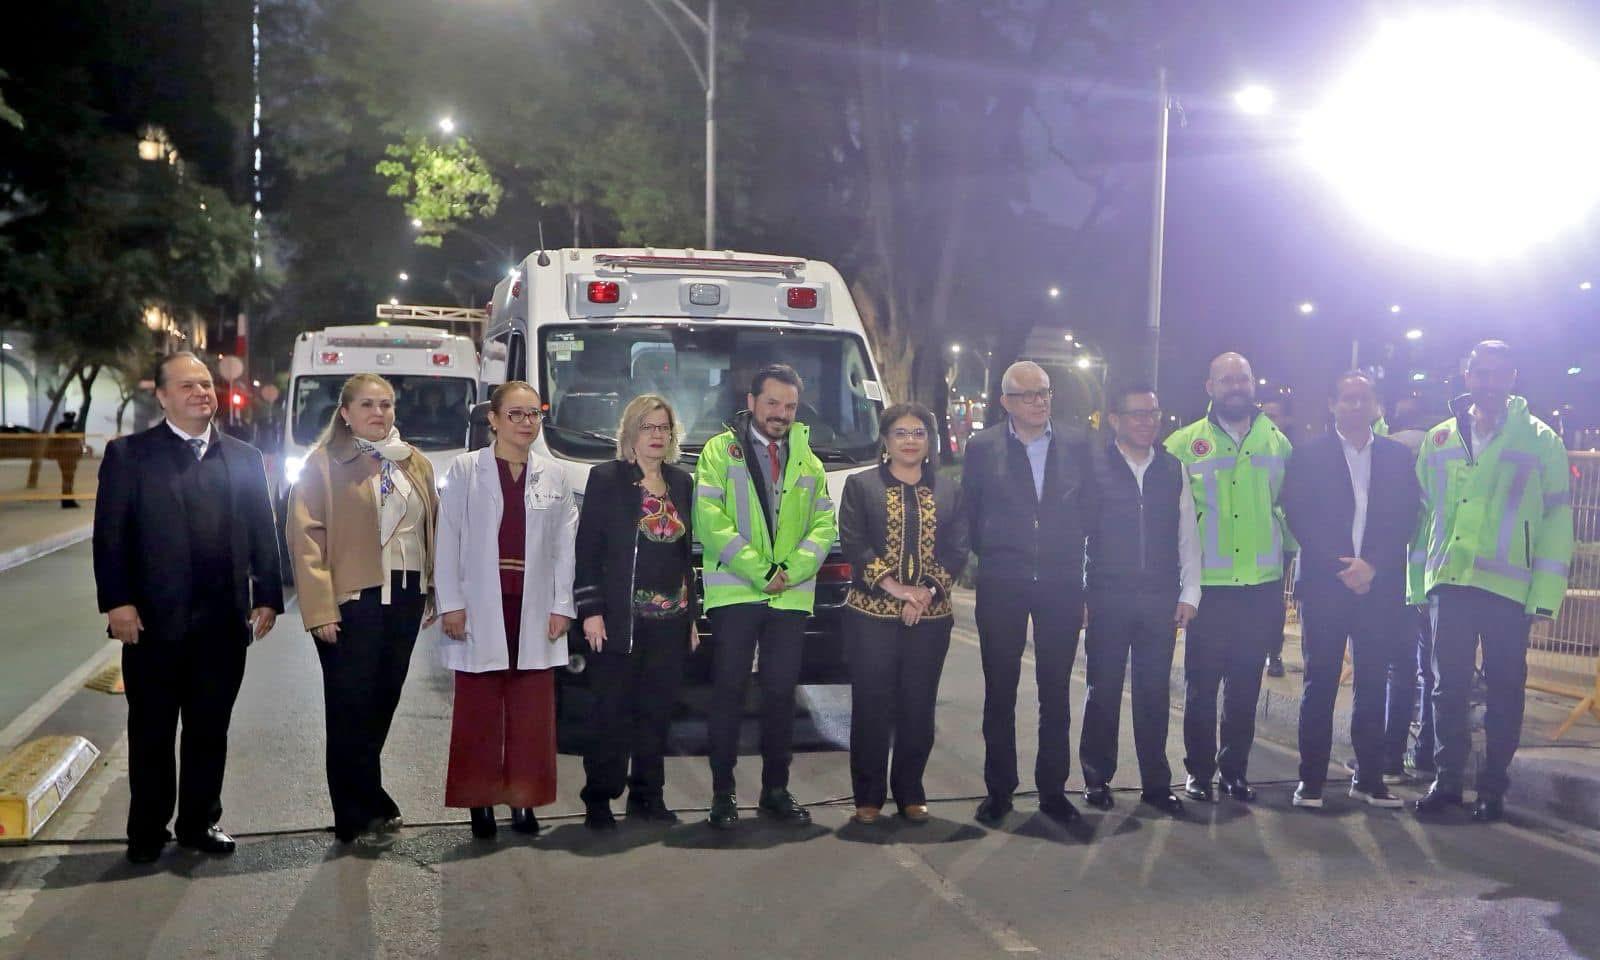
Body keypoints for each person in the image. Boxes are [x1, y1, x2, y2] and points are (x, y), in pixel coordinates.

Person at [93, 352, 283, 864]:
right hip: (152, 621)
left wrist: (268, 596)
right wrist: (117, 603)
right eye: (187, 386)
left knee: (209, 728)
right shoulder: (129, 456)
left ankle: (200, 822)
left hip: (222, 622)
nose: (202, 392)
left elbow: (262, 530)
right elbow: (110, 537)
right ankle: (147, 828)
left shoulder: (242, 458)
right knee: (151, 729)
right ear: (162, 396)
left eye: (206, 384)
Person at [1411, 340, 1574, 822]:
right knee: (1447, 688)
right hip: (1449, 584)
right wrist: (1417, 584)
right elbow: (1424, 517)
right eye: (1479, 372)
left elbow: (1557, 519)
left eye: (1497, 373)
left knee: (1505, 688)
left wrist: (1544, 596)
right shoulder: (1439, 438)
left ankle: (1492, 788)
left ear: (1512, 379)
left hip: (1509, 590)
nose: (1487, 382)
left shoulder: (1540, 439)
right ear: (1466, 377)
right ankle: (1446, 781)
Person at [288, 373, 438, 844]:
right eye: (368, 405)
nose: (379, 413)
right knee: (350, 707)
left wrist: (434, 590)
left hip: (406, 597)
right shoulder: (324, 463)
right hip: (353, 600)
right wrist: (320, 609)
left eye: (387, 405)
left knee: (382, 702)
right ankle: (355, 811)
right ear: (346, 413)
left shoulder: (415, 462)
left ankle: (368, 795)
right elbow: (305, 539)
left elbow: (432, 528)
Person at [694, 363, 838, 829]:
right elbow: (709, 521)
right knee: (729, 692)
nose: (781, 413)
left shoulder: (807, 458)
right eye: (773, 403)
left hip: (790, 597)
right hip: (737, 592)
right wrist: (762, 573)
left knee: (780, 696)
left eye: (790, 406)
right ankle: (722, 795)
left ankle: (775, 790)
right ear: (752, 402)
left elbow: (824, 525)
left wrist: (790, 572)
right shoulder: (720, 451)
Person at [434, 381, 576, 838]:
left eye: (533, 414)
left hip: (534, 608)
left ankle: (524, 801)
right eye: (515, 414)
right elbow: (448, 539)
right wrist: (450, 604)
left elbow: (563, 549)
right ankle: (480, 804)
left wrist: (562, 606)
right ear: (493, 419)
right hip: (479, 604)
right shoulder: (465, 470)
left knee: (531, 709)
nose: (526, 423)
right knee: (478, 710)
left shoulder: (553, 475)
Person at [962, 361, 1096, 827]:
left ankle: (1053, 790)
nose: (1040, 401)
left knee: (1055, 691)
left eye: (1045, 392)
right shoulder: (983, 448)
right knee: (1000, 691)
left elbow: (1091, 512)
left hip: (1060, 583)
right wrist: (995, 556)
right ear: (1006, 403)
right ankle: (999, 790)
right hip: (1003, 582)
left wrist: (1085, 582)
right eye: (1028, 394)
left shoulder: (1077, 443)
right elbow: (971, 512)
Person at [1281, 371, 1420, 810]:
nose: (1355, 406)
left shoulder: (1397, 458)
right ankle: (1312, 780)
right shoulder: (1309, 456)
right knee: (1320, 683)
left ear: (1376, 406)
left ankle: (1371, 777)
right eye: (1347, 399)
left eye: (1364, 399)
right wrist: (1340, 564)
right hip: (1326, 584)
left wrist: (1373, 565)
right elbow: (1298, 514)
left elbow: (1406, 517)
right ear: (1332, 405)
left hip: (1377, 587)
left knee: (1372, 683)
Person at [1166, 352, 1293, 803]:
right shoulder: (1183, 444)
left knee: (1246, 686)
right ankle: (1198, 771)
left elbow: (1289, 509)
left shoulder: (1278, 442)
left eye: (1243, 379)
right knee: (1201, 687)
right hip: (1210, 588)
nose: (1236, 386)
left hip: (1261, 586)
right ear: (1210, 387)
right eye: (1226, 380)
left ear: (1254, 384)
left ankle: (1235, 770)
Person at [837, 403, 968, 825]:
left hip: (930, 619)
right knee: (873, 705)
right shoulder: (862, 486)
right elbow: (855, 544)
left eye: (919, 433)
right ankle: (868, 796)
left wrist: (925, 594)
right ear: (886, 440)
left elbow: (958, 547)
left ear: (930, 443)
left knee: (917, 705)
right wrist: (897, 591)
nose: (910, 441)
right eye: (901, 433)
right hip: (870, 615)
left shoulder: (949, 490)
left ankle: (911, 791)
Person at [574, 394, 697, 829]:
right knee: (612, 713)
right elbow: (587, 550)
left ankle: (649, 797)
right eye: (648, 427)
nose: (658, 435)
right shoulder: (606, 479)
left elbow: (685, 556)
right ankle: (600, 799)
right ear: (630, 434)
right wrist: (590, 611)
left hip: (671, 621)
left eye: (664, 427)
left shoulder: (682, 482)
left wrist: (693, 618)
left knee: (657, 713)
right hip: (619, 622)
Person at [1078, 384, 1198, 816]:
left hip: (1159, 598)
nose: (1147, 421)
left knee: (1154, 693)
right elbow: (1077, 533)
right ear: (1114, 419)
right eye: (1137, 414)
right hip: (1107, 595)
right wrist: (1081, 591)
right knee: (1103, 690)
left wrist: (1190, 592)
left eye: (1153, 413)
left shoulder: (1172, 469)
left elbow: (1188, 535)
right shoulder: (1093, 467)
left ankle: (1156, 783)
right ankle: (1096, 777)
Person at [1259, 397, 1299, 678]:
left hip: (1279, 541)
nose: (1267, 419)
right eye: (1264, 413)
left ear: (1285, 420)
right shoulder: (1255, 443)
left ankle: (1274, 654)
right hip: (1254, 538)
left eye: (1273, 414)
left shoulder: (1284, 447)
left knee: (1273, 602)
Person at [51, 411, 83, 509]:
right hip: (66, 456)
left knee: (68, 479)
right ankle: (67, 500)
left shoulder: (60, 427)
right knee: (67, 479)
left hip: (69, 456)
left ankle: (68, 500)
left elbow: (78, 442)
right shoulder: (71, 428)